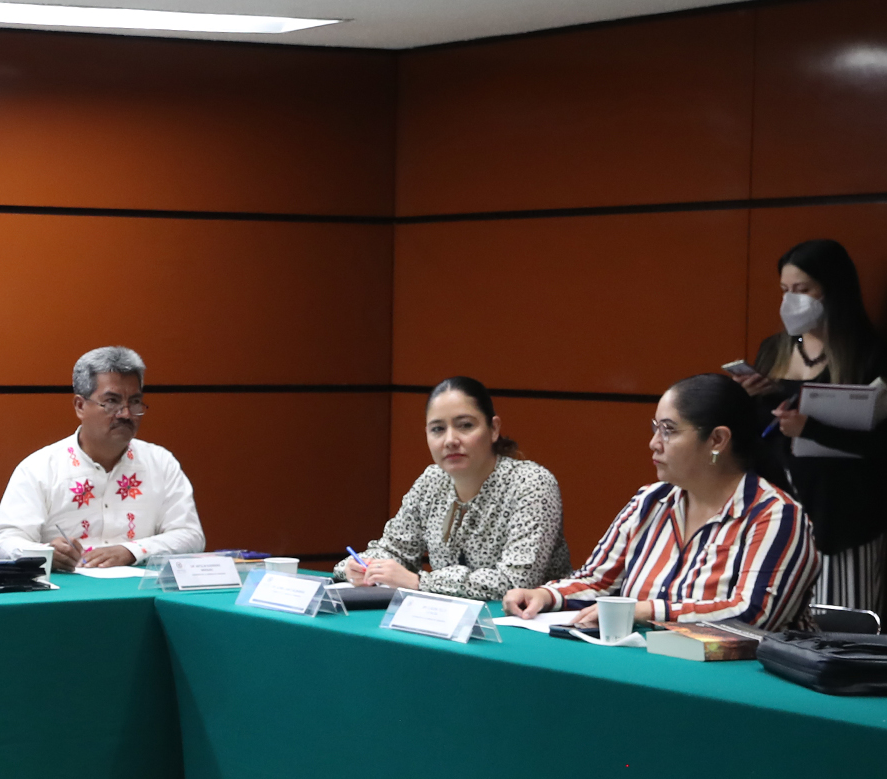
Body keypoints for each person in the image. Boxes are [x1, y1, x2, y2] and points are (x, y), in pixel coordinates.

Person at [505, 374, 816, 633]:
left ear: (717, 440)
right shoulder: (650, 501)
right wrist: (544, 595)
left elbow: (753, 614)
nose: (653, 443)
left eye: (668, 430)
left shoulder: (776, 515)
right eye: (656, 428)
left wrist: (643, 611)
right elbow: (598, 581)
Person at [727, 239, 884, 615]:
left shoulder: (869, 353)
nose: (790, 300)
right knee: (775, 624)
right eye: (785, 290)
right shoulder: (775, 348)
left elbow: (878, 444)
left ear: (832, 290)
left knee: (840, 628)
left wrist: (811, 429)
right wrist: (748, 398)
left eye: (802, 289)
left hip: (843, 520)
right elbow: (757, 435)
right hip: (777, 514)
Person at [337, 376, 567, 601]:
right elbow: (395, 550)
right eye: (437, 429)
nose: (450, 440)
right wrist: (360, 566)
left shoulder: (531, 483)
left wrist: (419, 583)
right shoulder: (432, 480)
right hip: (446, 619)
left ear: (494, 429)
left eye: (465, 425)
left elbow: (517, 581)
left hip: (526, 620)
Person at [0, 346, 203, 570]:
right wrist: (45, 553)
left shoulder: (160, 463)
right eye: (111, 401)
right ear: (80, 406)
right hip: (66, 589)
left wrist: (131, 551)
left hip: (139, 588)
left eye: (134, 402)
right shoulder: (40, 468)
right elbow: (4, 540)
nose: (126, 414)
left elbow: (190, 535)